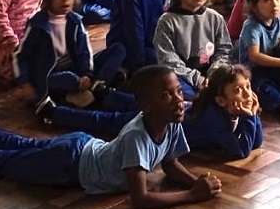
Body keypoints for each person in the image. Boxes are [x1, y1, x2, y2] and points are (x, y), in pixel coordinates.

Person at [0, 65, 222, 209]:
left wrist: (195, 181)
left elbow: (170, 164)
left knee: (24, 146)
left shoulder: (172, 122)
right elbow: (140, 198)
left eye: (177, 91)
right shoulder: (137, 136)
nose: (178, 100)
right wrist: (191, 195)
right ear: (146, 106)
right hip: (67, 164)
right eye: (167, 95)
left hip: (82, 145)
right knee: (4, 163)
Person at [41, 64, 264, 161]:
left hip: (171, 112)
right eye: (238, 90)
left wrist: (251, 116)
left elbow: (256, 143)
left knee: (132, 104)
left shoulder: (228, 110)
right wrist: (250, 117)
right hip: (158, 120)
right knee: (109, 121)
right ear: (220, 99)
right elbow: (241, 151)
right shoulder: (214, 120)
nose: (246, 93)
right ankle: (55, 112)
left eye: (247, 87)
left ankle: (105, 94)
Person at [18, 0, 125, 109]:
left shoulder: (75, 20)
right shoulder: (38, 24)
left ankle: (97, 85)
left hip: (77, 69)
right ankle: (84, 90)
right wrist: (25, 83)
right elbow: (21, 57)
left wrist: (87, 73)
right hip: (50, 73)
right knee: (68, 78)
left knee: (118, 49)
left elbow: (84, 51)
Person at [152, 0, 233, 100]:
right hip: (183, 77)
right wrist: (198, 79)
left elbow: (224, 50)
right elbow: (168, 59)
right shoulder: (167, 21)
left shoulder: (215, 18)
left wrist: (213, 74)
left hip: (211, 75)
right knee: (182, 94)